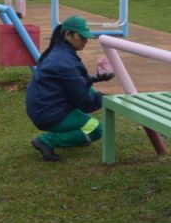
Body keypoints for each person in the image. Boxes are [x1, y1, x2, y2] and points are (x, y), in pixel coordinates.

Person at [26, 15, 114, 162]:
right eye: (81, 37)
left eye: (86, 38)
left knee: (90, 94)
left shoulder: (58, 51)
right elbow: (85, 103)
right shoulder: (65, 62)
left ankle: (73, 137)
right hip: (49, 113)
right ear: (68, 34)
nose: (85, 41)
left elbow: (75, 83)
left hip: (43, 107)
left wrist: (98, 78)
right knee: (96, 129)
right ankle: (47, 141)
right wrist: (107, 99)